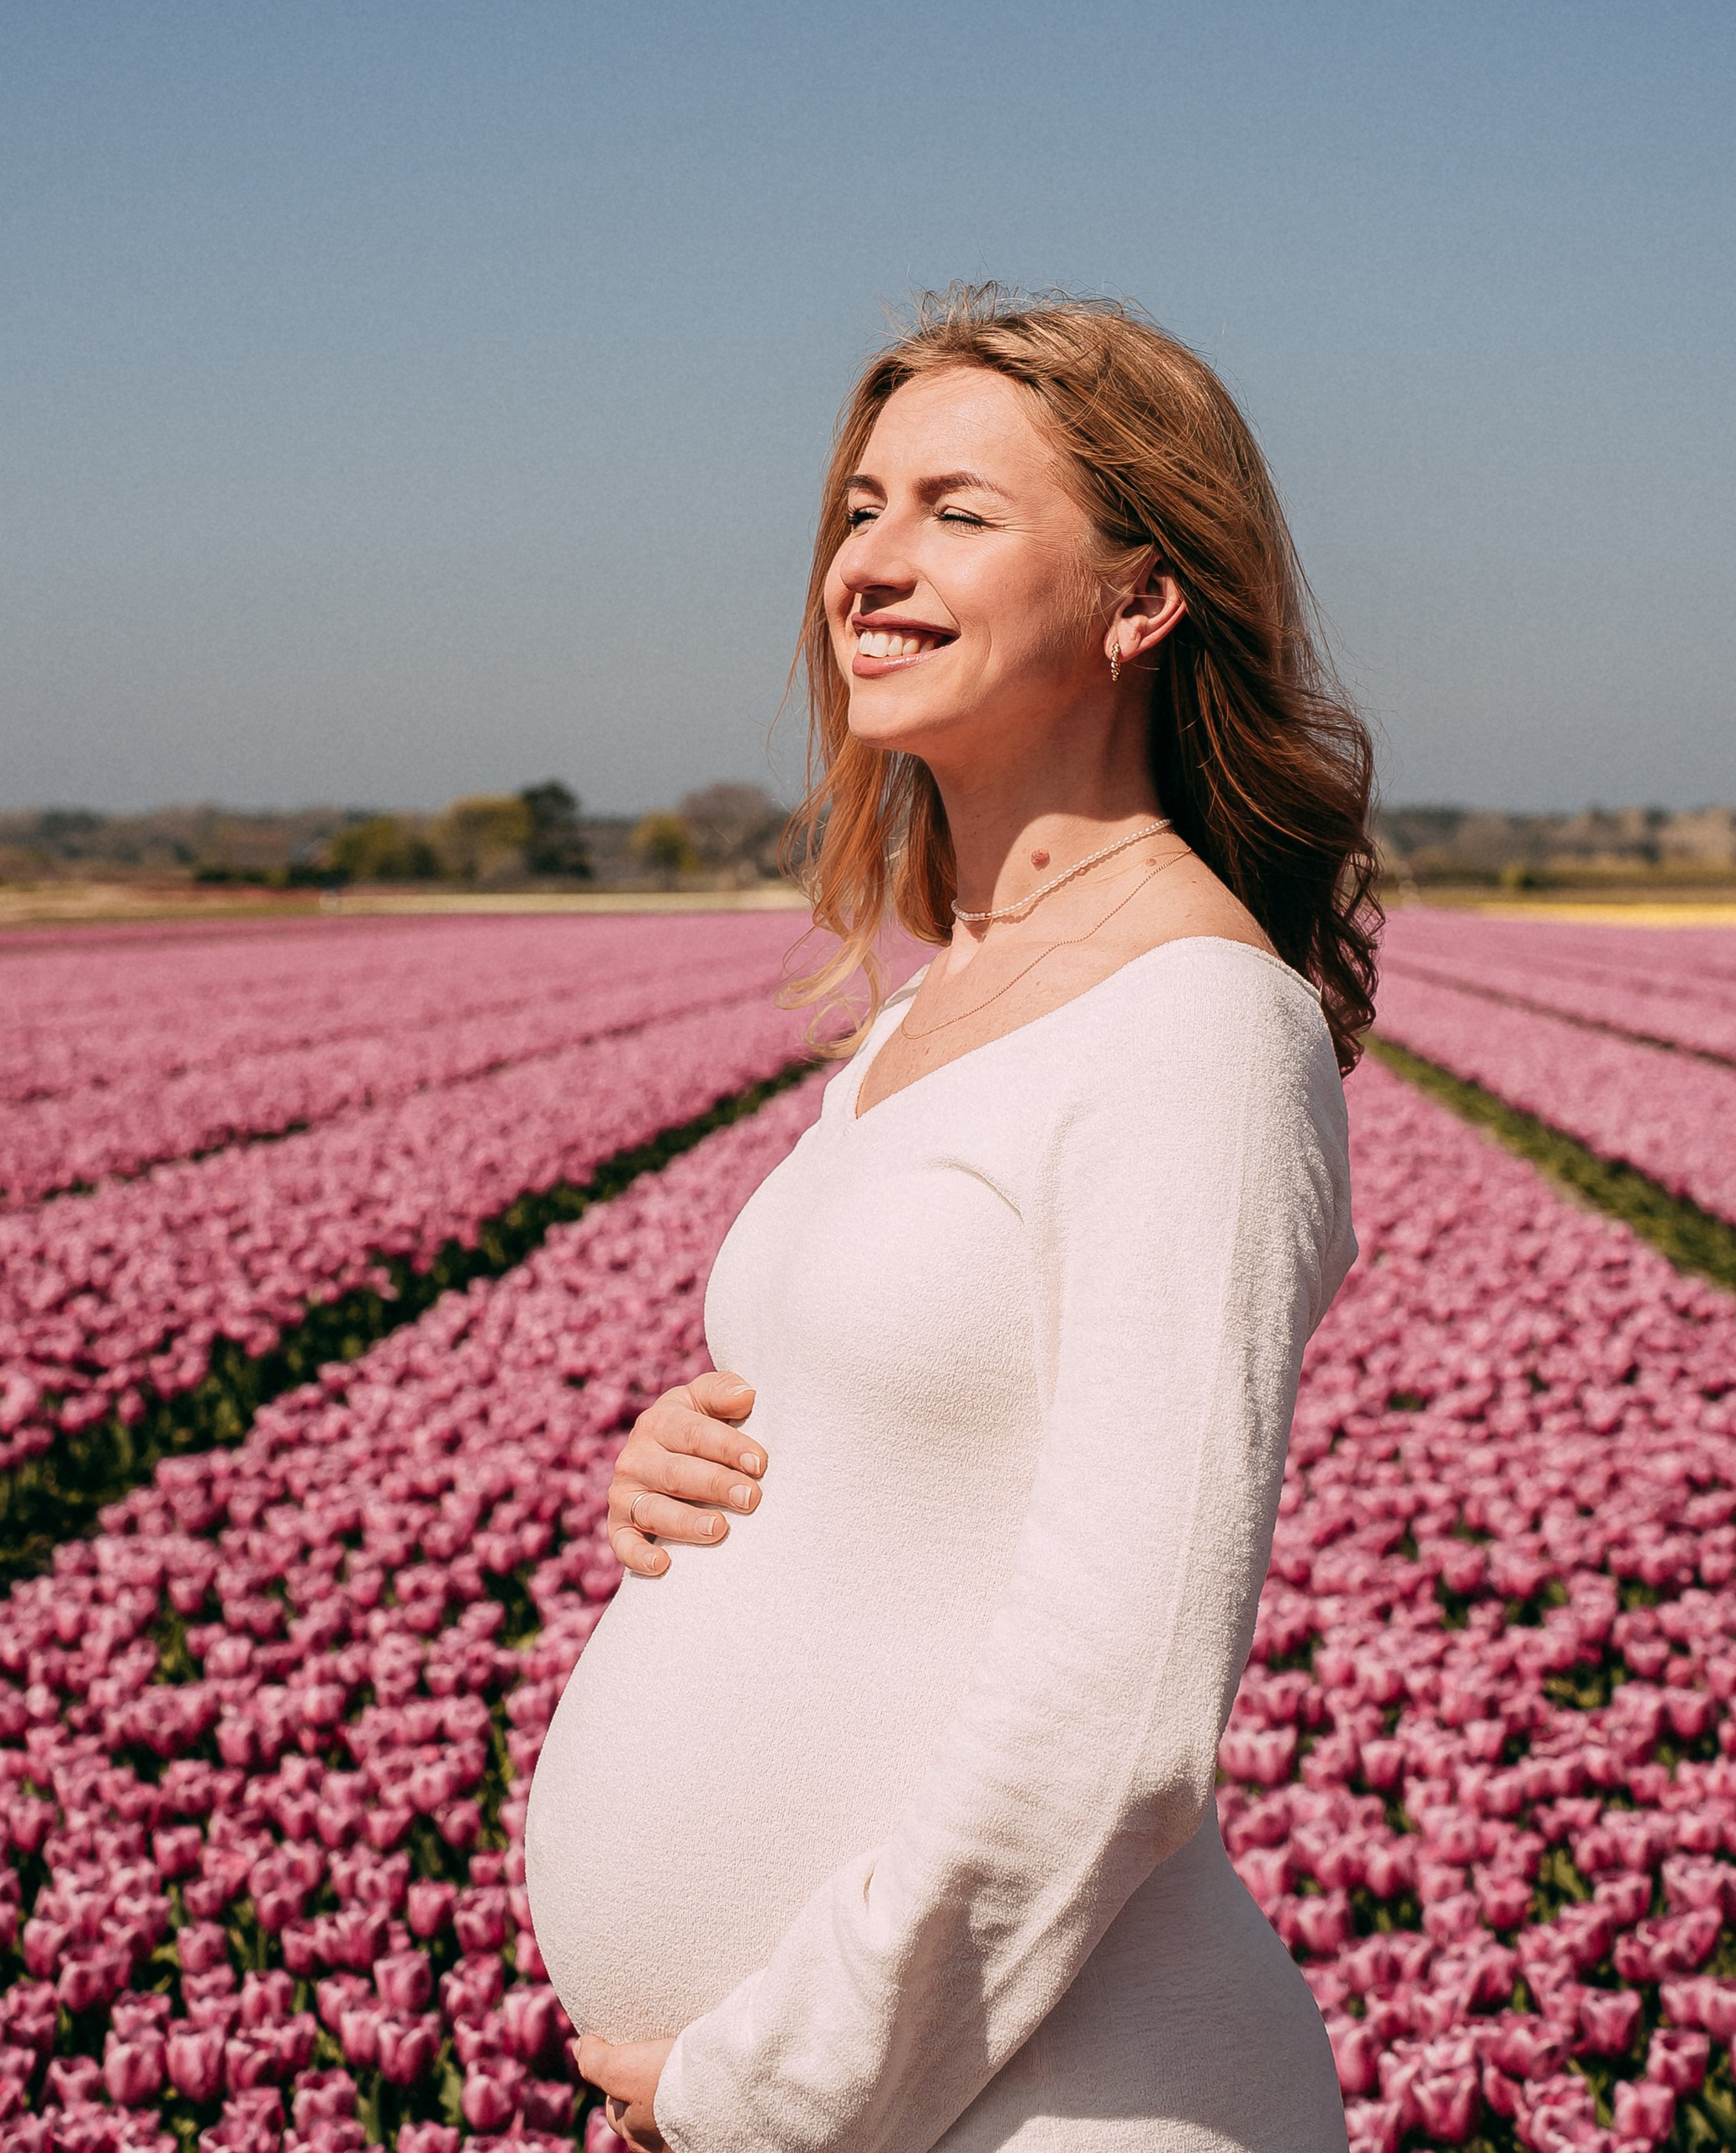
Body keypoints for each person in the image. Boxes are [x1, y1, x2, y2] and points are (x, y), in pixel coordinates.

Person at [522, 285, 1379, 2153]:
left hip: (1045, 2102)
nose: (867, 563)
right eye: (857, 507)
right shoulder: (931, 1004)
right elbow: (930, 1447)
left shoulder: (1198, 1029)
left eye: (954, 513)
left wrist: (774, 2086)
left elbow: (1124, 1701)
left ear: (1140, 600)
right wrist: (703, 1473)